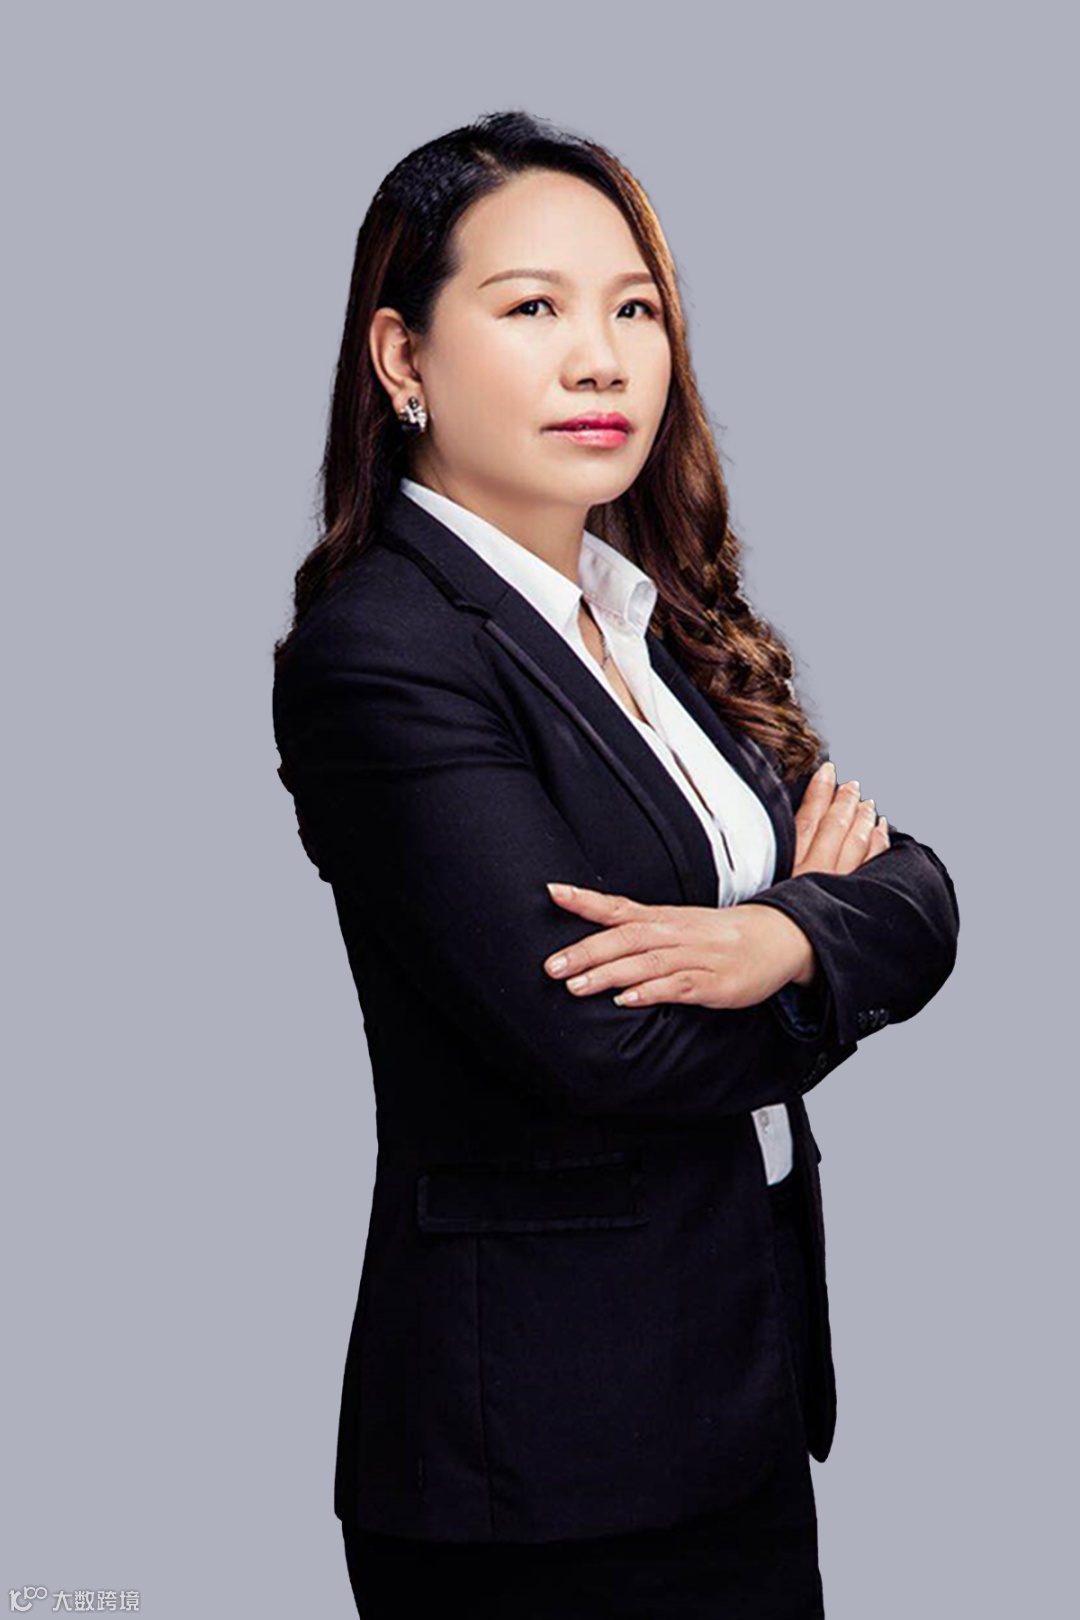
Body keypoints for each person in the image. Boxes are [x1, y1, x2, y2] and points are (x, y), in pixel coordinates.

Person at [271, 110, 959, 1619]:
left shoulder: (654, 619)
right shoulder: (384, 652)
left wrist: (781, 938)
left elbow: (915, 885)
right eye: (533, 308)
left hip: (737, 1395)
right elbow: (598, 1043)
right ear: (401, 356)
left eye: (635, 310)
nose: (603, 361)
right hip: (539, 1455)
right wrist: (829, 941)